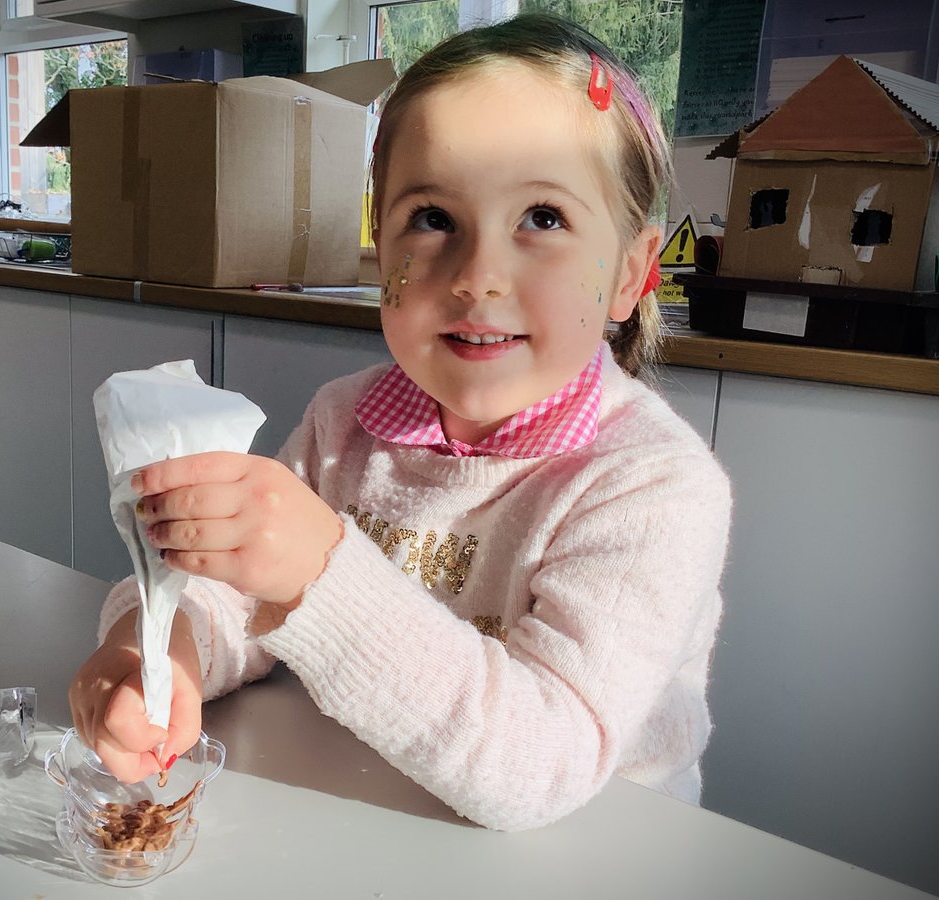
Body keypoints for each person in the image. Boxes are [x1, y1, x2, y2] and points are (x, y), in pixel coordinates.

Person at [69, 12, 732, 830]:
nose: (478, 275)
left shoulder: (654, 486)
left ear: (632, 273)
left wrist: (319, 569)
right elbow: (229, 599)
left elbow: (539, 766)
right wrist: (152, 649)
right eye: (432, 219)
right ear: (381, 248)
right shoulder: (344, 423)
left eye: (544, 218)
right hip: (363, 815)